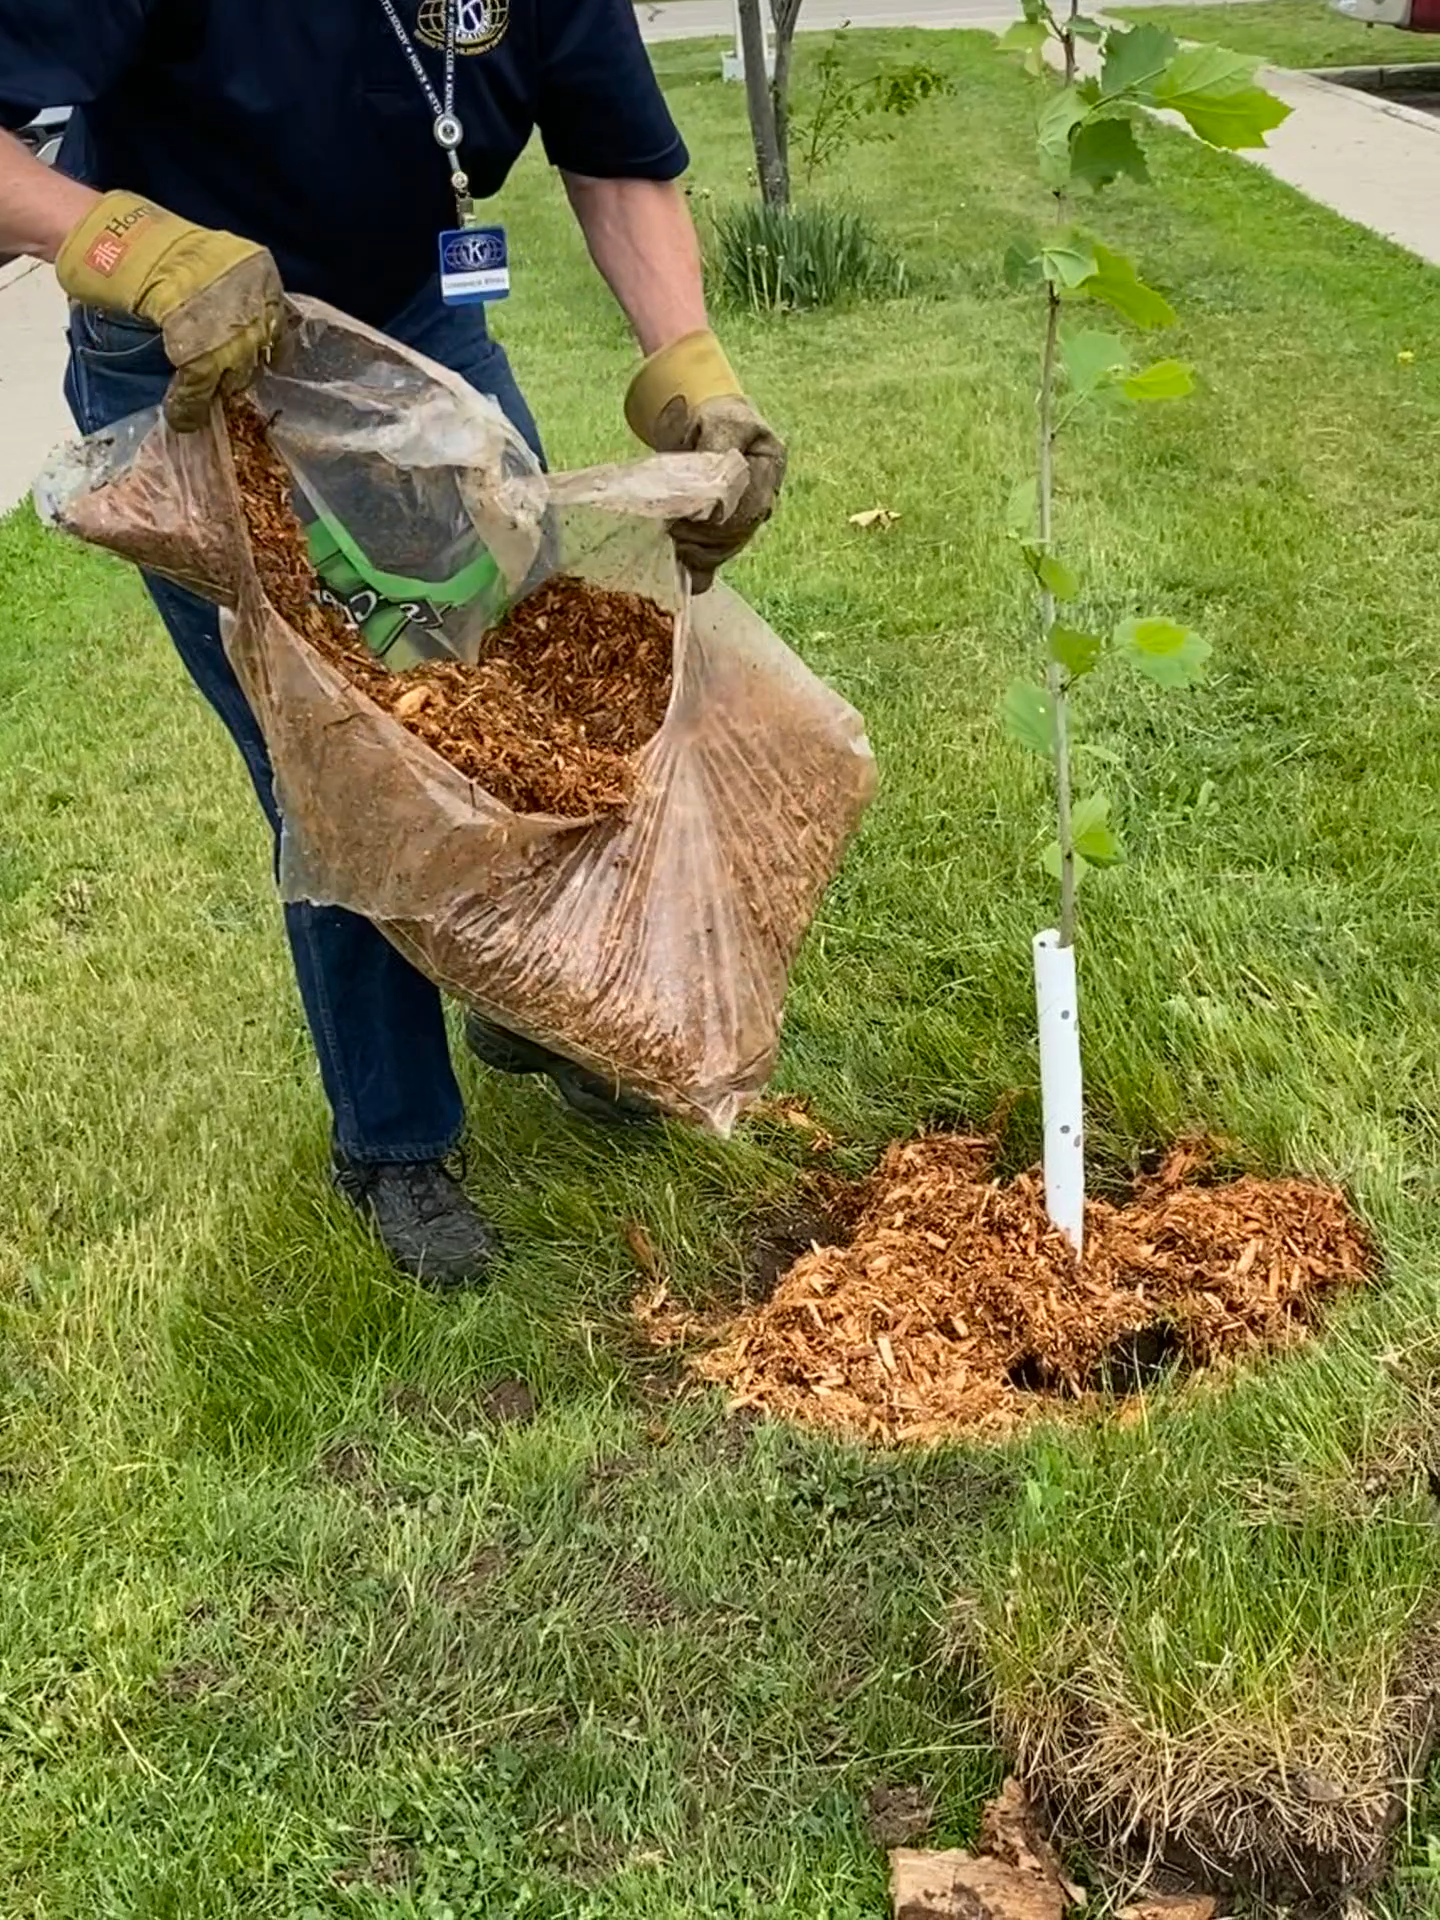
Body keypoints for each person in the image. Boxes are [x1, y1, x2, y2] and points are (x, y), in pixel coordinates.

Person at [0, 0, 786, 1292]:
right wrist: (133, 245)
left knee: (531, 686)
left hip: (415, 320)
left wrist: (693, 373)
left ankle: (532, 1000)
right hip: (193, 354)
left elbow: (617, 156)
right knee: (340, 752)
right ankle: (397, 1142)